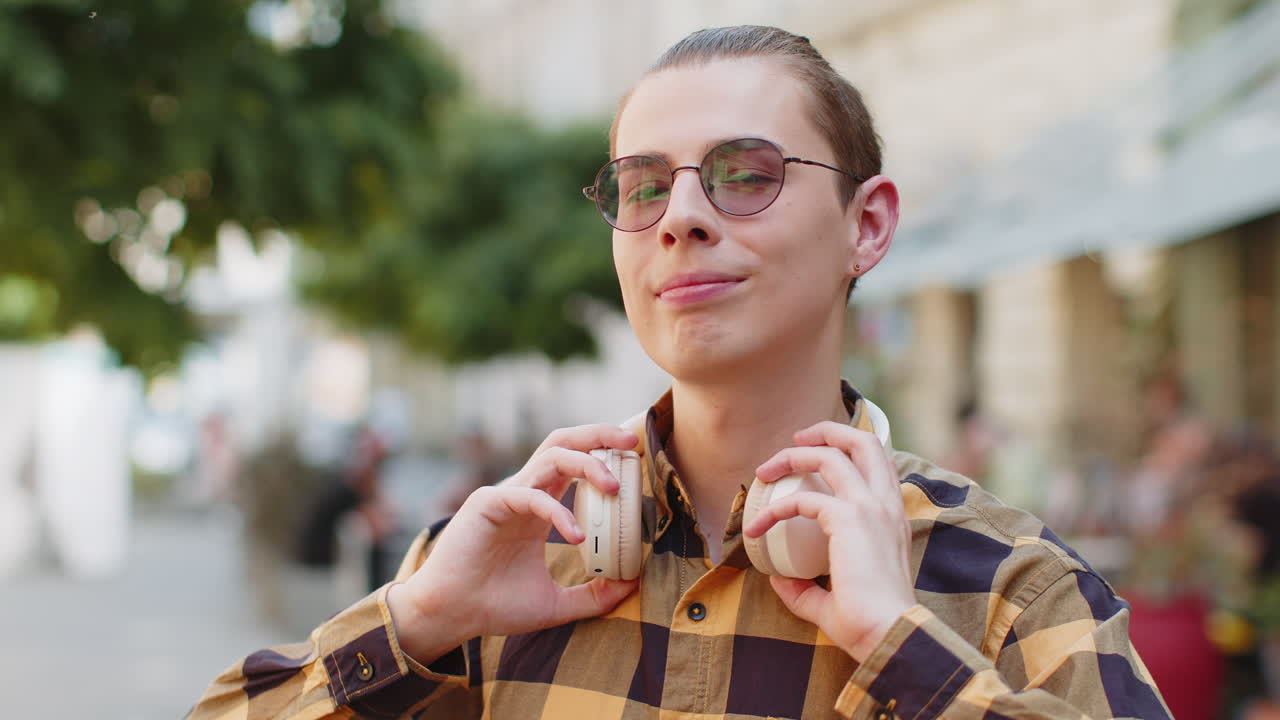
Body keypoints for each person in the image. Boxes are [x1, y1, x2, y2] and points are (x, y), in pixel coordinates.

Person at [188, 26, 1170, 719]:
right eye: (643, 186)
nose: (681, 218)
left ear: (865, 226)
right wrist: (421, 619)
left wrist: (896, 643)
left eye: (746, 175)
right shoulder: (503, 566)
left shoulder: (1011, 589)